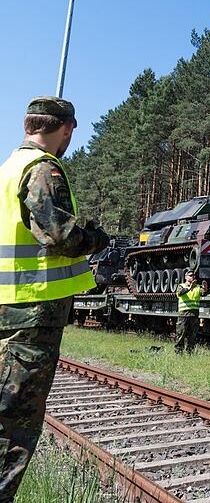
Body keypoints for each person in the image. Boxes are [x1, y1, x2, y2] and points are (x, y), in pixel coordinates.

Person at [0, 97, 109, 499]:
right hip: (30, 313)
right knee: (14, 422)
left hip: (8, 308)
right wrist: (97, 237)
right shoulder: (42, 169)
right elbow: (61, 236)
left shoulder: (7, 169)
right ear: (66, 128)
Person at [174, 270, 208, 354]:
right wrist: (189, 288)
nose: (192, 277)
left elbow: (203, 293)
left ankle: (190, 352)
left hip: (194, 314)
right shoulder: (181, 286)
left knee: (192, 335)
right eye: (190, 275)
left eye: (193, 275)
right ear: (186, 277)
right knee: (181, 334)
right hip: (184, 314)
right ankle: (179, 352)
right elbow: (180, 293)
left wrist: (205, 289)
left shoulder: (197, 287)